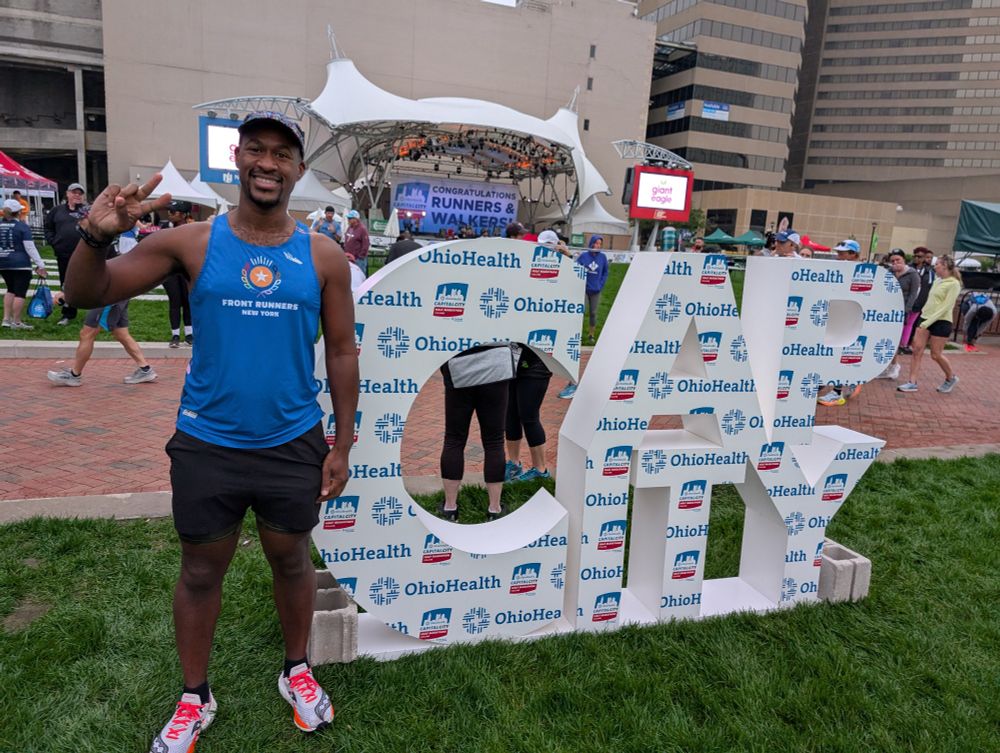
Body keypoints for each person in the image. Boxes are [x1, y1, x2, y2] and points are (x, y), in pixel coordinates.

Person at [61, 110, 358, 750]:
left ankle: (297, 669)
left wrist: (343, 445)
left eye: (282, 154)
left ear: (298, 170)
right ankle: (194, 695)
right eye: (256, 149)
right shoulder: (193, 243)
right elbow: (89, 293)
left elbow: (340, 351)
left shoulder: (323, 254)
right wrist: (94, 233)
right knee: (200, 570)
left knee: (290, 557)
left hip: (292, 440)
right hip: (208, 443)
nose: (268, 163)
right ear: (239, 160)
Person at [46, 234, 158, 387]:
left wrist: (66, 292)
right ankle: (145, 370)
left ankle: (74, 375)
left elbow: (87, 272)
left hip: (109, 294)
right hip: (118, 291)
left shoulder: (98, 243)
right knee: (121, 333)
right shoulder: (100, 241)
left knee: (87, 333)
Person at [439, 346, 510, 521]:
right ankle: (494, 508)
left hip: (459, 365)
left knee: (454, 439)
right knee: (494, 441)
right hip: (496, 364)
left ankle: (450, 508)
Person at [898, 254, 961, 393]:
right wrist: (923, 317)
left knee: (935, 354)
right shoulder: (937, 281)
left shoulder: (954, 284)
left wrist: (929, 322)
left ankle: (951, 377)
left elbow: (946, 306)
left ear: (945, 266)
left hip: (942, 321)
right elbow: (930, 301)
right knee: (916, 351)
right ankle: (912, 382)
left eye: (937, 264)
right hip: (925, 319)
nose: (935, 266)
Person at [505, 344, 554, 482]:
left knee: (529, 417)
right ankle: (514, 464)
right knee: (511, 415)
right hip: (512, 361)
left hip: (537, 363)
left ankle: (540, 470)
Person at [43, 181, 89, 324]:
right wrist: (54, 241)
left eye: (80, 193)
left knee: (88, 282)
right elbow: (48, 227)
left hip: (84, 254)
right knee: (66, 283)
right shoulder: (57, 211)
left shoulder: (87, 211)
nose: (77, 195)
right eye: (74, 192)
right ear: (68, 194)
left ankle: (95, 311)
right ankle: (68, 313)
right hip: (63, 253)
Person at [1, 198, 47, 330]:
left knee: (10, 289)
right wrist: (40, 264)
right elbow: (30, 247)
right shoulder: (22, 227)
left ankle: (6, 319)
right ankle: (16, 321)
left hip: (3, 262)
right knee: (20, 292)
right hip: (20, 263)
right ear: (18, 212)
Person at [875, 250, 921, 380]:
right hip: (886, 310)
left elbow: (913, 295)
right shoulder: (889, 272)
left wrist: (906, 311)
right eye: (893, 261)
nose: (895, 263)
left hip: (901, 312)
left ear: (904, 260)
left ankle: (894, 366)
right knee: (884, 339)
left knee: (893, 341)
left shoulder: (913, 275)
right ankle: (887, 366)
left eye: (898, 260)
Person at [164, 200, 196, 347]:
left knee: (187, 301)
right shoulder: (165, 228)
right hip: (170, 272)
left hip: (186, 271)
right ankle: (175, 335)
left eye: (173, 212)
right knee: (175, 301)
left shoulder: (191, 229)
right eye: (169, 211)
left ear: (183, 215)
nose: (169, 214)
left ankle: (189, 334)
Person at [577, 235, 609, 344]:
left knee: (593, 313)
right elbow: (576, 269)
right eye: (596, 243)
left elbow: (605, 273)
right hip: (584, 289)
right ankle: (577, 334)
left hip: (596, 290)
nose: (598, 245)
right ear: (591, 243)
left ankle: (591, 335)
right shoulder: (584, 256)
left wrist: (600, 285)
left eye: (600, 244)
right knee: (581, 311)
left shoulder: (603, 257)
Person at [904, 246, 936, 354]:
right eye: (915, 256)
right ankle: (902, 343)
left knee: (912, 325)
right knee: (904, 324)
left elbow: (929, 287)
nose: (917, 258)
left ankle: (906, 344)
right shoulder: (908, 268)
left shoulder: (929, 271)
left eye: (920, 256)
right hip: (906, 301)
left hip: (919, 303)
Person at [342, 209, 370, 274]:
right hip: (349, 258)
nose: (348, 220)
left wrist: (360, 257)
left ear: (356, 219)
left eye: (350, 218)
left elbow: (366, 244)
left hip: (358, 259)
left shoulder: (362, 229)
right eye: (348, 218)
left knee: (360, 275)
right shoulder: (349, 227)